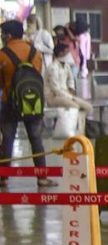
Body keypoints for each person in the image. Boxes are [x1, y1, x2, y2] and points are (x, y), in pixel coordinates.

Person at [0, 20, 50, 189]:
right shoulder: (35, 52)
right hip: (33, 102)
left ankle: (3, 178)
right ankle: (42, 178)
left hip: (9, 104)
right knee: (36, 139)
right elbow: (38, 75)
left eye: (3, 34)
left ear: (8, 35)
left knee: (7, 140)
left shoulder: (2, 55)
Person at [45, 44, 93, 134]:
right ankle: (72, 130)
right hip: (53, 97)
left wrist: (71, 88)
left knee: (88, 107)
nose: (69, 54)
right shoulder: (53, 67)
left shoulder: (66, 65)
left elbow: (70, 78)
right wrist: (70, 97)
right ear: (60, 54)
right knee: (75, 106)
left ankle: (81, 129)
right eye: (66, 52)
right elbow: (55, 89)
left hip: (66, 95)